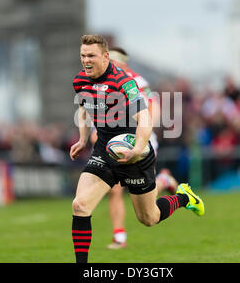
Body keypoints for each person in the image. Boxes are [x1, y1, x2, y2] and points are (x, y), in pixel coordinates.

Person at [70, 34, 205, 263]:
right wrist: (83, 139)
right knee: (80, 204)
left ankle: (183, 197)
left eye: (91, 55)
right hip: (104, 151)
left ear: (105, 57)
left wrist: (138, 148)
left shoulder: (125, 82)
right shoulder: (81, 79)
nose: (86, 60)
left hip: (134, 153)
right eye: (83, 55)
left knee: (148, 217)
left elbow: (145, 118)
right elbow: (85, 106)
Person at [103, 46, 178, 249]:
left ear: (121, 63)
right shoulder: (105, 83)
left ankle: (163, 179)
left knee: (148, 207)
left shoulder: (136, 80)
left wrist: (142, 133)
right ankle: (119, 235)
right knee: (115, 188)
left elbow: (154, 107)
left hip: (141, 141)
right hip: (118, 141)